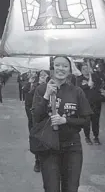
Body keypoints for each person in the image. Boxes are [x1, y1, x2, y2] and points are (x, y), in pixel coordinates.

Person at [32, 56, 93, 192]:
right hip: (49, 147)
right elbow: (36, 117)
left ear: (70, 70)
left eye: (65, 66)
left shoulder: (76, 91)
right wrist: (47, 95)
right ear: (52, 68)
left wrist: (66, 120)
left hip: (72, 148)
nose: (61, 69)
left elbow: (86, 120)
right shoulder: (41, 90)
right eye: (58, 65)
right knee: (51, 188)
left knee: (71, 188)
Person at [24, 70, 49, 173]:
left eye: (45, 75)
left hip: (49, 117)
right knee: (37, 139)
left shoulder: (53, 86)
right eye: (41, 75)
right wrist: (31, 84)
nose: (43, 77)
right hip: (36, 118)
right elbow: (28, 101)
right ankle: (38, 161)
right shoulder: (34, 86)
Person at [77, 64, 105, 145]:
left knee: (95, 121)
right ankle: (87, 137)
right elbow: (78, 88)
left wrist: (92, 74)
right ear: (81, 70)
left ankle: (96, 137)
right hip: (85, 104)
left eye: (87, 68)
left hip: (96, 103)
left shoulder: (94, 77)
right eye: (84, 69)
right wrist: (87, 85)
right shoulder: (79, 79)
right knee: (86, 122)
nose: (86, 70)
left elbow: (101, 82)